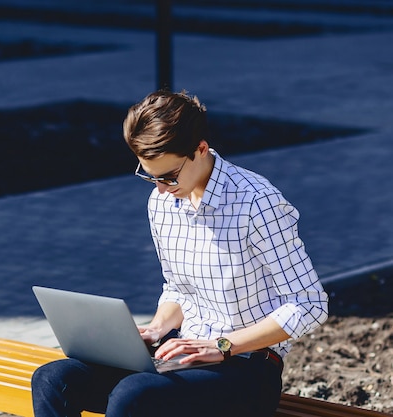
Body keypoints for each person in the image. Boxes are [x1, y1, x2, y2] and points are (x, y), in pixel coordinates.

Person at [31, 89, 329, 417]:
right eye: (149, 176)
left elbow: (309, 305)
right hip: (180, 355)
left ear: (200, 149)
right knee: (53, 378)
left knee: (134, 395)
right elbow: (178, 288)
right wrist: (157, 328)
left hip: (246, 369)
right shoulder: (163, 203)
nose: (160, 189)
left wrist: (223, 346)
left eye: (168, 177)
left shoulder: (257, 204)